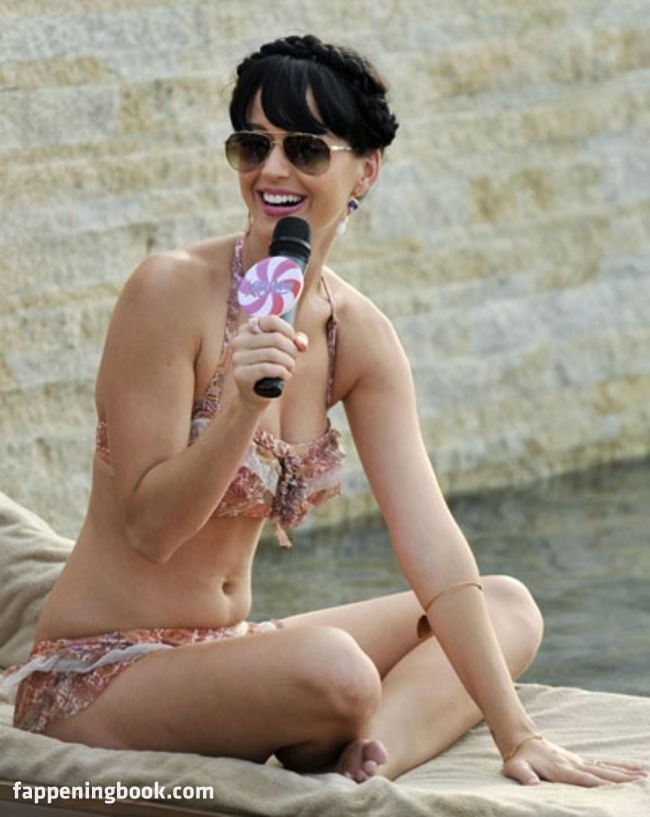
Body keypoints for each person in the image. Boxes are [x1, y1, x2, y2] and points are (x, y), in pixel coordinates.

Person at [4, 34, 645, 788]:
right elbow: (151, 530)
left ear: (365, 169)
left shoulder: (357, 334)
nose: (272, 171)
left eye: (305, 149)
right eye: (253, 146)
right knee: (335, 668)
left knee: (507, 606)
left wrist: (518, 733)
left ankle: (368, 759)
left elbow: (430, 538)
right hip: (102, 673)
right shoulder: (169, 292)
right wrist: (240, 408)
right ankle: (337, 717)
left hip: (226, 649)